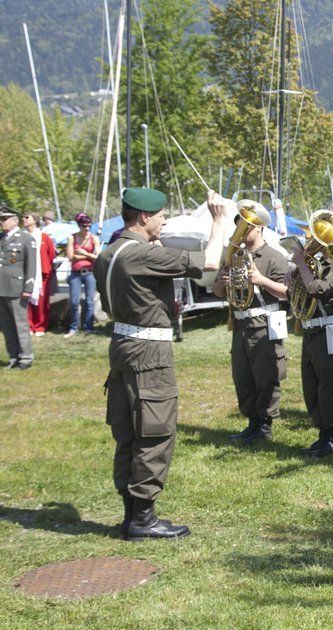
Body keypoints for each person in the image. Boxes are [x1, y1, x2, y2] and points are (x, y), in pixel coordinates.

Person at [95, 187, 225, 540]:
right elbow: (209, 263)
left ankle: (131, 514)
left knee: (128, 434)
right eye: (161, 215)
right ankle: (143, 519)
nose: (164, 221)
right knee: (155, 433)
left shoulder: (108, 253)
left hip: (122, 346)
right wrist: (217, 221)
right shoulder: (140, 254)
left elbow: (112, 304)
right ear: (144, 217)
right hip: (149, 354)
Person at [211, 201, 290, 444]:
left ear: (259, 228)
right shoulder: (234, 256)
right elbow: (217, 292)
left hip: (264, 324)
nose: (242, 232)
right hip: (241, 325)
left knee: (266, 377)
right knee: (242, 377)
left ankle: (264, 425)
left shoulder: (274, 256)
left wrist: (261, 280)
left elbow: (287, 292)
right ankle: (252, 422)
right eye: (239, 228)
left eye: (246, 227)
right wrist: (222, 282)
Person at [286, 228, 333, 457]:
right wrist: (292, 279)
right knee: (311, 386)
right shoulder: (315, 264)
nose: (312, 240)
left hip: (330, 330)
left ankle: (332, 437)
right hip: (311, 331)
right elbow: (298, 295)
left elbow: (317, 289)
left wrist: (301, 264)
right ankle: (322, 433)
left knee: (331, 386)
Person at [0, 206, 36, 369]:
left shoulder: (26, 239)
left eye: (5, 219)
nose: (2, 222)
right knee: (6, 325)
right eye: (1, 219)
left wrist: (28, 288)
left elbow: (31, 265)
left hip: (17, 288)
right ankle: (13, 357)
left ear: (15, 221)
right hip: (0, 287)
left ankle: (25, 358)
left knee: (20, 324)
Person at [65, 212, 100, 336]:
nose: (87, 228)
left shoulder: (94, 238)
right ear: (79, 225)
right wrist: (90, 256)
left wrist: (83, 253)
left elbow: (98, 257)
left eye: (89, 226)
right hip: (75, 273)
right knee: (74, 302)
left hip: (89, 273)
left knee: (89, 301)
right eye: (84, 226)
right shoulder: (72, 238)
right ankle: (73, 327)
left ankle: (88, 327)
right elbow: (70, 256)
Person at [23, 212, 57, 336]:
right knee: (27, 300)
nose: (24, 219)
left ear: (35, 221)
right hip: (24, 273)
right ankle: (29, 324)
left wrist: (44, 267)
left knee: (42, 301)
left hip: (41, 273)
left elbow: (51, 254)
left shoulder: (44, 237)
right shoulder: (22, 236)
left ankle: (40, 326)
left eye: (27, 217)